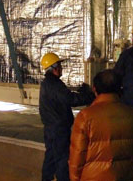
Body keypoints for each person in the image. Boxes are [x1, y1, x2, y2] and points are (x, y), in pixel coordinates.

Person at [68, 70, 133, 181]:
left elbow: (77, 155)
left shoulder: (85, 117)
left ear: (95, 89)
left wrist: (75, 178)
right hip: (124, 176)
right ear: (120, 89)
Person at [39, 52, 94, 181]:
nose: (61, 68)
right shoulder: (55, 84)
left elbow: (63, 97)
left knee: (50, 159)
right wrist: (88, 96)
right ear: (54, 68)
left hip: (50, 129)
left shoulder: (47, 83)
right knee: (62, 161)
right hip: (59, 130)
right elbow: (70, 99)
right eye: (59, 65)